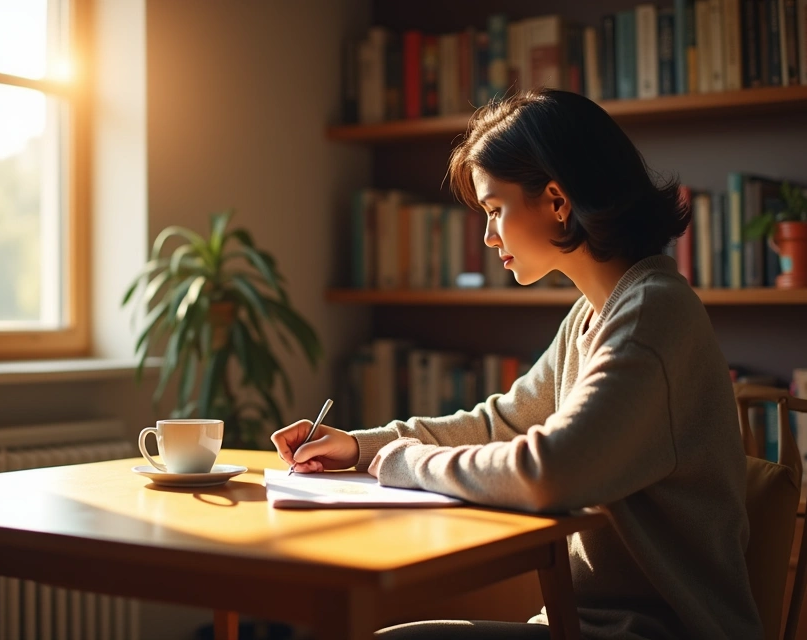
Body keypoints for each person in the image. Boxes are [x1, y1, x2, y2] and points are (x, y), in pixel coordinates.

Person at [271, 89, 761, 640]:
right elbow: (501, 424)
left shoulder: (652, 315)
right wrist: (364, 446)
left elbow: (551, 472)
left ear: (557, 200)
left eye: (495, 209)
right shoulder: (594, 315)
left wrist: (405, 462)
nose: (487, 235)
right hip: (580, 622)